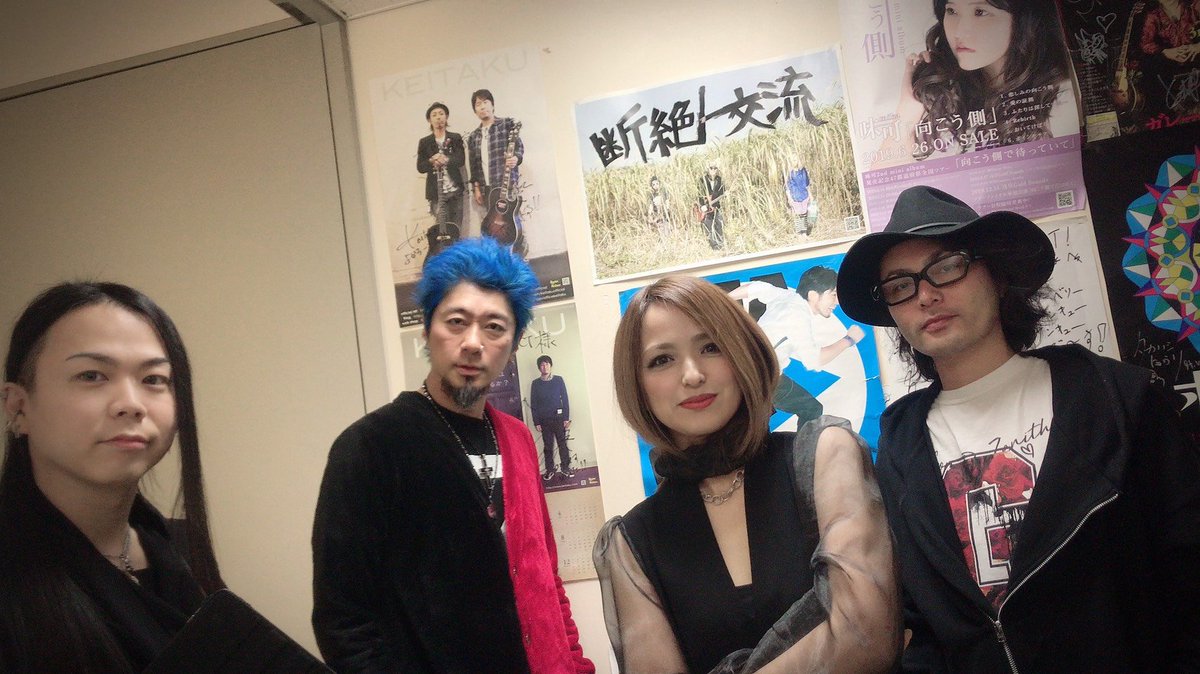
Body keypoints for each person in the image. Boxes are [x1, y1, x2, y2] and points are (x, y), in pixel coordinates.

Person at [835, 185, 1200, 671]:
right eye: (900, 286)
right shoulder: (901, 449)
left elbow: (1187, 562)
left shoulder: (1113, 400)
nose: (925, 295)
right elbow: (919, 619)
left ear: (997, 276)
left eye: (946, 267)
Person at [312, 237, 593, 673]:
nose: (473, 343)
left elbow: (546, 578)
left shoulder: (518, 438)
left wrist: (574, 664)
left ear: (515, 342)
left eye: (494, 327)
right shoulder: (370, 448)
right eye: (456, 322)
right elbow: (343, 621)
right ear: (427, 329)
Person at [593, 275, 900, 673]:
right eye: (661, 360)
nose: (692, 375)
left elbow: (866, 636)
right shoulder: (632, 541)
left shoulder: (825, 456)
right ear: (636, 385)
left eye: (711, 347)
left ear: (743, 353)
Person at [0, 282, 223, 672]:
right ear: (18, 408)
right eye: (91, 375)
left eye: (154, 379)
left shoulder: (179, 547)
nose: (131, 405)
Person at [880, 0, 1076, 165]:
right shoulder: (941, 93)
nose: (959, 32)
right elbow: (885, 188)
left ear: (1023, 19)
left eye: (980, 12)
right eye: (952, 11)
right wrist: (907, 110)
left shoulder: (1059, 96)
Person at [728, 267, 867, 431]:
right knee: (811, 410)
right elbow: (815, 360)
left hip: (757, 371)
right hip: (761, 376)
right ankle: (802, 447)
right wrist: (849, 340)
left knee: (807, 409)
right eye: (833, 295)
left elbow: (756, 288)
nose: (836, 302)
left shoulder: (788, 297)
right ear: (813, 295)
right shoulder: (797, 316)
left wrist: (724, 299)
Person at [467, 88, 527, 255]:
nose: (482, 106)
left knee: (512, 225)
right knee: (492, 229)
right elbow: (474, 165)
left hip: (505, 184)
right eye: (478, 104)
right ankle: (498, 261)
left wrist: (516, 158)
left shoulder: (507, 124)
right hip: (486, 188)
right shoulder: (474, 137)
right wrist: (476, 189)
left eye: (485, 102)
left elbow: (519, 147)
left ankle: (519, 258)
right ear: (475, 111)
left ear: (492, 105)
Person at [416, 102, 465, 251]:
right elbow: (420, 167)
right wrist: (432, 160)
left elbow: (461, 160)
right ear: (429, 120)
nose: (438, 118)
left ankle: (457, 260)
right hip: (437, 194)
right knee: (440, 232)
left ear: (446, 117)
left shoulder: (455, 138)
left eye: (441, 114)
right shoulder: (425, 142)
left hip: (455, 192)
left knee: (456, 230)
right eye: (434, 115)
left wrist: (446, 159)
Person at [1137, 0, 1200, 111]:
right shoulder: (1153, 15)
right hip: (1173, 68)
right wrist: (1166, 52)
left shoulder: (1195, 5)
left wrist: (1197, 46)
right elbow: (1145, 44)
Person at [530, 354, 573, 480]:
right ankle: (550, 470)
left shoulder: (558, 380)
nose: (545, 367)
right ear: (539, 368)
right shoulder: (535, 384)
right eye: (542, 365)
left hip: (559, 419)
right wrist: (536, 422)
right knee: (548, 446)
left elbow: (565, 399)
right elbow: (534, 404)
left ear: (551, 366)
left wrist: (566, 417)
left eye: (547, 364)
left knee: (562, 444)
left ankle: (565, 468)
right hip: (544, 420)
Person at [697, 163, 726, 249]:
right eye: (711, 168)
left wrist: (725, 194)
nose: (713, 170)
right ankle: (713, 246)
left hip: (716, 206)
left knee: (719, 224)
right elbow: (699, 194)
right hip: (706, 207)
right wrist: (702, 205)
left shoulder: (719, 180)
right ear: (708, 169)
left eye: (715, 168)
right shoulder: (702, 180)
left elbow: (722, 192)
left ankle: (720, 244)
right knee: (708, 227)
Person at [785, 163, 814, 236]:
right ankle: (799, 233)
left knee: (804, 214)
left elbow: (807, 184)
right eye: (793, 159)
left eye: (796, 159)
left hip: (804, 195)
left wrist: (810, 195)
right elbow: (787, 187)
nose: (795, 161)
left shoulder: (803, 171)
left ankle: (804, 233)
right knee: (798, 215)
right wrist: (789, 197)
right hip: (795, 196)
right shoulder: (788, 173)